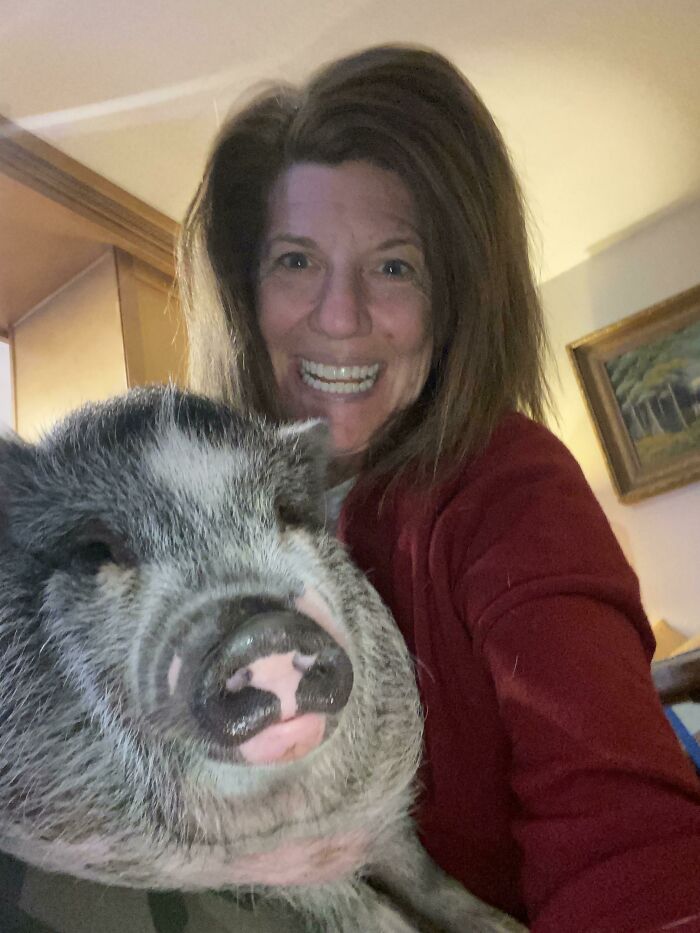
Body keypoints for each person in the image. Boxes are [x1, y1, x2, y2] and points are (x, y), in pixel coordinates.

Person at [178, 45, 700, 932]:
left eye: (394, 267)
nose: (339, 318)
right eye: (297, 261)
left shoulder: (508, 485)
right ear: (242, 290)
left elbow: (628, 840)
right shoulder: (202, 532)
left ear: (453, 300)